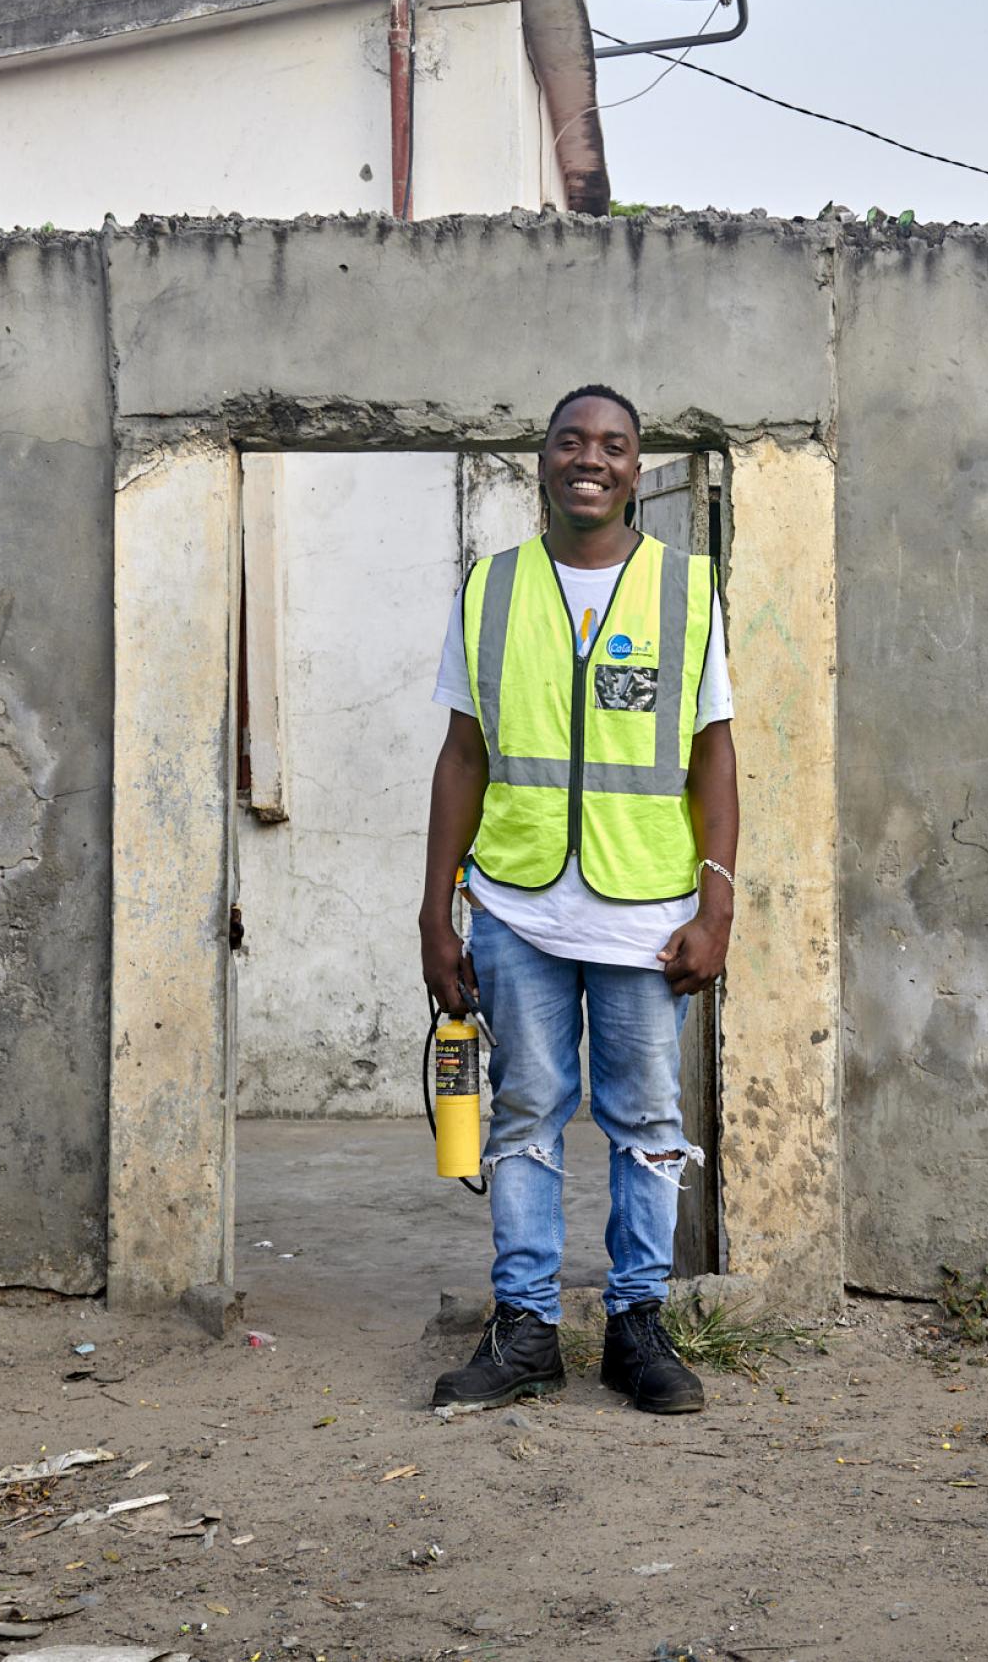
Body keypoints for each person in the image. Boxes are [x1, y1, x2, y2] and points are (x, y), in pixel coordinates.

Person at [419, 383, 739, 1416]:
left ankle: (636, 1326)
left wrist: (717, 902)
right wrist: (435, 908)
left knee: (645, 1118)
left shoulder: (686, 591)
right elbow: (462, 753)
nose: (588, 458)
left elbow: (713, 755)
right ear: (543, 461)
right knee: (522, 1113)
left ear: (635, 468)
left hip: (646, 909)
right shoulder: (491, 588)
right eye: (570, 441)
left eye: (611, 444)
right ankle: (524, 1329)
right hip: (514, 906)